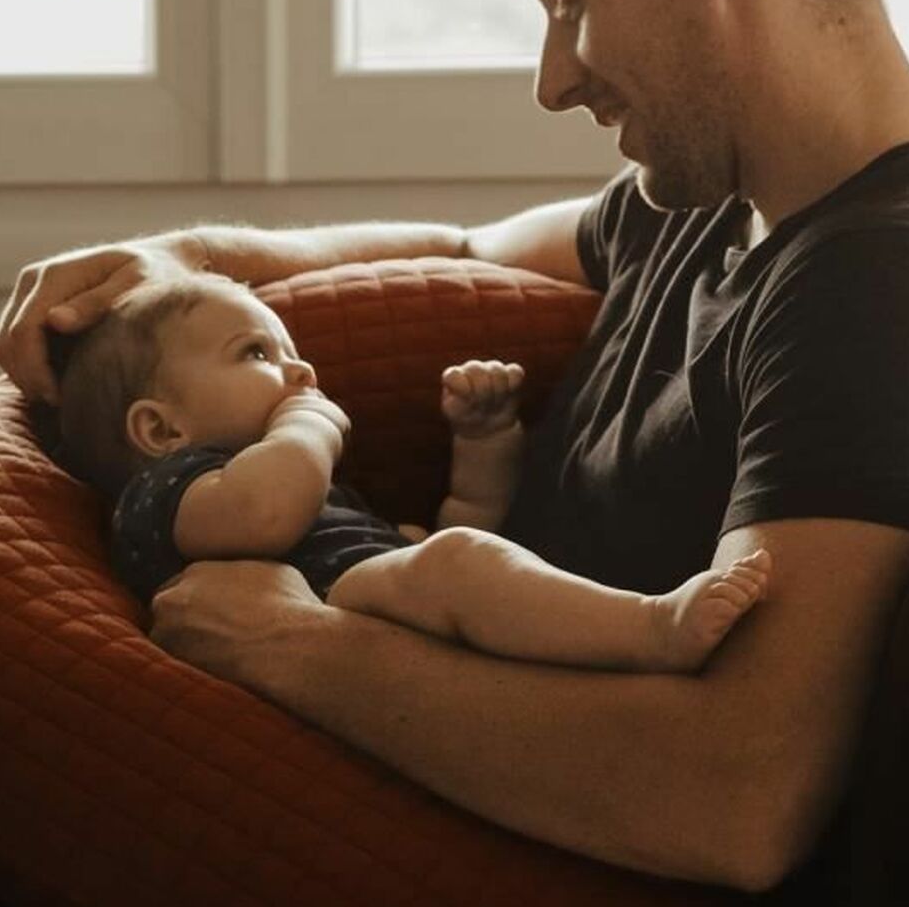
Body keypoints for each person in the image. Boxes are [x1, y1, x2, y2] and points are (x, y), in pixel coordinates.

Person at [0, 0, 909, 890]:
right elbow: (462, 248)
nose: (553, 78)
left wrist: (291, 645)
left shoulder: (892, 286)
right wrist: (190, 262)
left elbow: (738, 793)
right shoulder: (711, 200)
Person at [53, 271, 771, 671]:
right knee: (453, 563)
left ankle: (622, 639)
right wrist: (310, 421)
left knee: (457, 554)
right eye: (256, 355)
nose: (300, 370)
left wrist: (484, 443)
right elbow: (264, 515)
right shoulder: (167, 492)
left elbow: (466, 525)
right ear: (159, 428)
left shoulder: (308, 487)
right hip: (341, 622)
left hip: (394, 613)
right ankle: (652, 630)